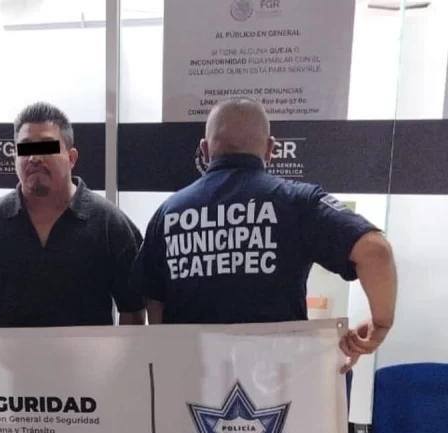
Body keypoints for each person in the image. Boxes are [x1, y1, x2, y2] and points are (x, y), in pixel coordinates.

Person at [130, 97, 397, 373]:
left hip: (193, 378)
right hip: (275, 383)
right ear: (270, 149)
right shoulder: (298, 202)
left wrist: (169, 357)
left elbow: (154, 300)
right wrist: (381, 323)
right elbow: (376, 251)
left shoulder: (168, 213)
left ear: (205, 151)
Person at [0, 101, 146, 328]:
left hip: (88, 353)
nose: (35, 158)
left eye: (47, 147)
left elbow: (133, 310)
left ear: (72, 158)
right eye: (25, 149)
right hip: (6, 353)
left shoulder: (110, 224)